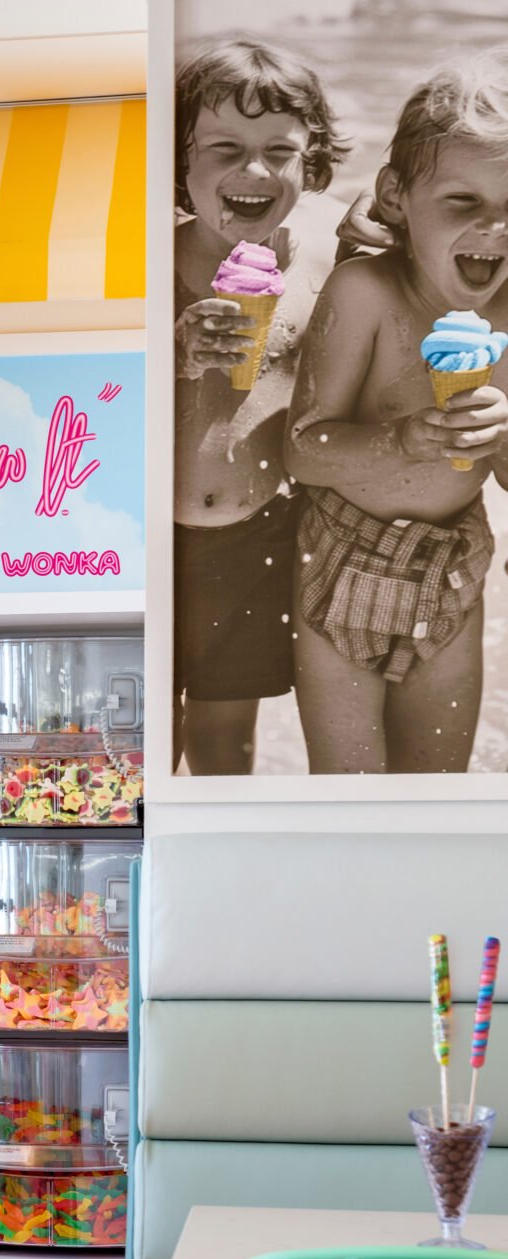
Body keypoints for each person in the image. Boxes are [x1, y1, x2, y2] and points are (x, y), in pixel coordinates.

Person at [286, 52, 508, 773]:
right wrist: (406, 437)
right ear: (395, 197)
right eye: (463, 203)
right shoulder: (364, 295)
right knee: (348, 797)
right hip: (342, 564)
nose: (493, 231)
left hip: (451, 569)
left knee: (434, 795)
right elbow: (304, 449)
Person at [173, 40, 346, 773]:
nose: (254, 171)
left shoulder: (325, 260)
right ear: (180, 166)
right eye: (224, 149)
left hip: (255, 535)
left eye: (281, 151)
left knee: (224, 739)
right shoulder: (153, 266)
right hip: (155, 539)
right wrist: (169, 346)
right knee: (151, 734)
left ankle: (223, 878)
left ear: (310, 165)